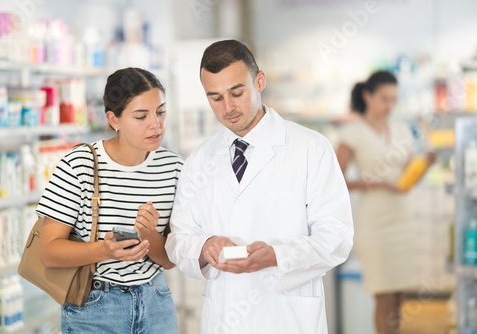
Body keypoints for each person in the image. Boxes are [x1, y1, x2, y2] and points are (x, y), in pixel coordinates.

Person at [165, 39, 354, 333]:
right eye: (215, 98)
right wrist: (204, 247)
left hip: (287, 317)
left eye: (236, 93)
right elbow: (177, 240)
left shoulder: (311, 148)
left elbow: (337, 237)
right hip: (224, 317)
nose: (227, 107)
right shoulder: (199, 161)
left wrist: (277, 255)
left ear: (260, 81)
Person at [37, 67, 182, 333]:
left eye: (160, 111)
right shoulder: (79, 164)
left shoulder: (174, 168)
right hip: (95, 307)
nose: (156, 124)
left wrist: (148, 234)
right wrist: (103, 251)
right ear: (113, 119)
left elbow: (170, 260)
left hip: (156, 304)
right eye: (141, 116)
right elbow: (48, 252)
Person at [336, 70, 436, 334]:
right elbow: (336, 181)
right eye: (384, 99)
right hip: (374, 223)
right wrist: (377, 183)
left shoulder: (402, 129)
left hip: (402, 220)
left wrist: (425, 166)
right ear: (368, 96)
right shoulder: (351, 133)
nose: (390, 106)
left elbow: (406, 180)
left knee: (400, 296)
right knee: (382, 296)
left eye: (394, 100)